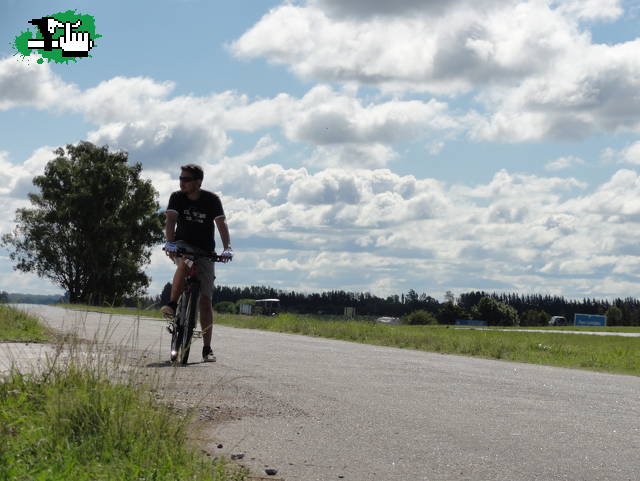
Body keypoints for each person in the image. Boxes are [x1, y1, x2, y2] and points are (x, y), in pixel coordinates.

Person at [161, 164, 233, 362]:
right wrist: (170, 242)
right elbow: (170, 220)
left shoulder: (211, 200)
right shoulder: (177, 197)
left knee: (205, 300)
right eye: (180, 178)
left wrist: (227, 247)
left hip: (205, 251)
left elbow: (221, 223)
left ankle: (207, 349)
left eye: (186, 179)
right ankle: (173, 304)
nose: (181, 182)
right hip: (182, 246)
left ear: (198, 182)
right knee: (184, 263)